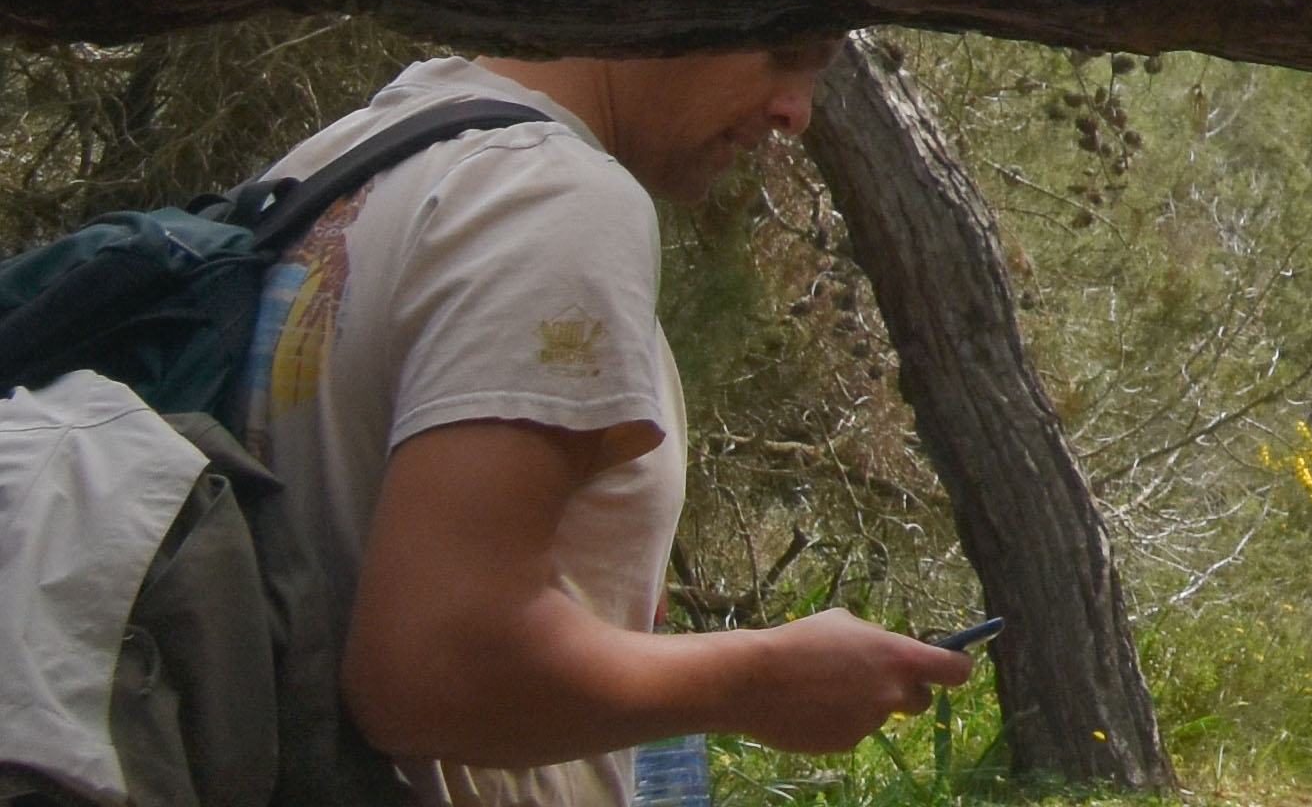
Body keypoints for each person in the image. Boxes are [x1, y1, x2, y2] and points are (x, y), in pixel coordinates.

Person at [245, 45, 972, 807]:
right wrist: (762, 680)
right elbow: (433, 669)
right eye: (785, 54)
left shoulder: (340, 162)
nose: (796, 112)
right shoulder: (552, 194)